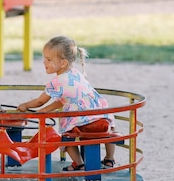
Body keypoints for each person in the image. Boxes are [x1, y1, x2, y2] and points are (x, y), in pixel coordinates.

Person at [17, 35, 116, 171]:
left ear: (63, 63)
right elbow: (67, 99)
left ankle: (79, 163)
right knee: (110, 130)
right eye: (44, 58)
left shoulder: (56, 82)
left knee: (66, 136)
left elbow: (40, 101)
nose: (44, 62)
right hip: (99, 115)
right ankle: (109, 158)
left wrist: (25, 105)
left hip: (83, 120)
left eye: (49, 59)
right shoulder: (75, 73)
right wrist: (46, 110)